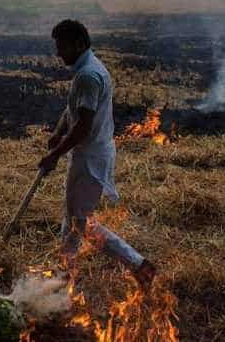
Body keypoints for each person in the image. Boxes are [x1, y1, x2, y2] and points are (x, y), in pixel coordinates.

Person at [37, 19, 155, 287]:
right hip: (88, 153)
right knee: (74, 218)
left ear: (78, 44)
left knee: (80, 222)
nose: (58, 54)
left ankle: (138, 264)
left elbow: (83, 126)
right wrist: (58, 132)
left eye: (62, 47)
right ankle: (64, 275)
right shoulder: (86, 71)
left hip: (89, 157)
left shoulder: (89, 76)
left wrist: (56, 153)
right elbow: (73, 111)